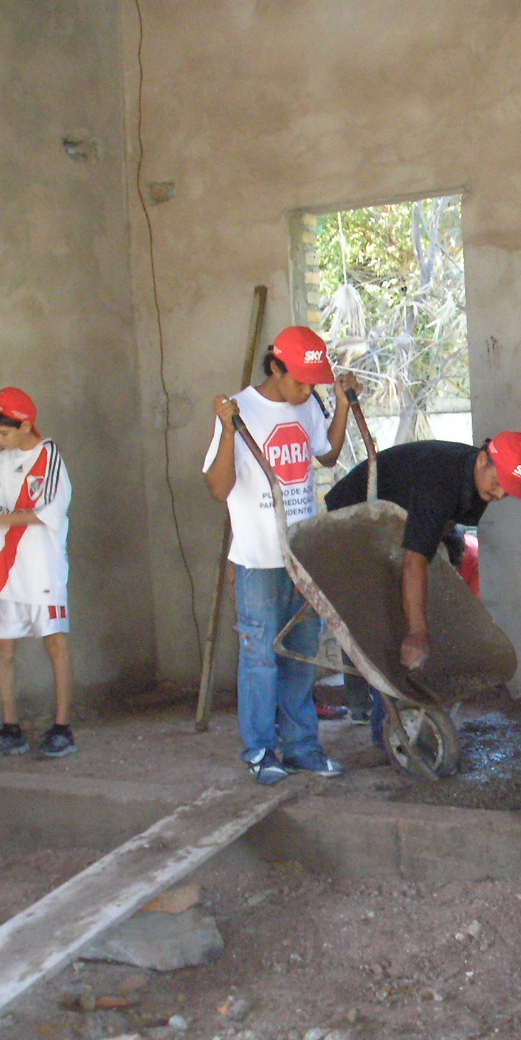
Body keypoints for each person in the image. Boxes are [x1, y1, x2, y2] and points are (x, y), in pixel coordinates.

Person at [203, 326, 353, 785]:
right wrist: (228, 431)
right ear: (275, 368)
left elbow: (328, 456)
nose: (307, 391)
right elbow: (219, 488)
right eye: (301, 381)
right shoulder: (239, 409)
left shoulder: (308, 405)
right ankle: (261, 751)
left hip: (302, 557)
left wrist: (341, 404)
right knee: (260, 658)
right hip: (258, 561)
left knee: (301, 656)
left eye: (313, 384)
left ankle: (303, 747)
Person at [325, 431, 521, 737]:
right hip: (352, 513)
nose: (501, 493)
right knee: (387, 622)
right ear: (482, 460)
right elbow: (414, 560)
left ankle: (386, 712)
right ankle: (383, 723)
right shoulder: (440, 483)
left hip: (398, 513)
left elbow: (440, 528)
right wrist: (417, 633)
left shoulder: (478, 486)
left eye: (509, 488)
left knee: (409, 607)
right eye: (499, 482)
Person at [0, 387, 76, 759]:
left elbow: (46, 512)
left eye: (4, 433)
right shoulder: (5, 460)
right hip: (8, 570)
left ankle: (62, 728)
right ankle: (11, 729)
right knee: (1, 648)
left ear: (25, 425)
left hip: (42, 571)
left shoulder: (49, 457)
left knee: (55, 645)